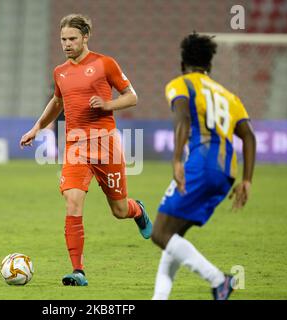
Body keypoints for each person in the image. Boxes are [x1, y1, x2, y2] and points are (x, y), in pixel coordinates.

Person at [19, 14, 152, 286]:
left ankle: (137, 210)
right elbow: (57, 102)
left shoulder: (105, 64)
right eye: (63, 39)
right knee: (73, 202)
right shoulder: (60, 72)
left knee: (118, 210)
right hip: (76, 147)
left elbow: (132, 97)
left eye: (72, 39)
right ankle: (78, 271)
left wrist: (107, 105)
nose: (67, 44)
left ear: (85, 37)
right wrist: (37, 128)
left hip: (106, 145)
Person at [151, 32, 256, 300]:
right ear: (209, 64)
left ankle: (219, 280)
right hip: (227, 173)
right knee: (173, 238)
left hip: (201, 165)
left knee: (159, 232)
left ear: (182, 62)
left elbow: (183, 118)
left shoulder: (180, 85)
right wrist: (247, 180)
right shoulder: (229, 96)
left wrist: (176, 160)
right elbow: (249, 136)